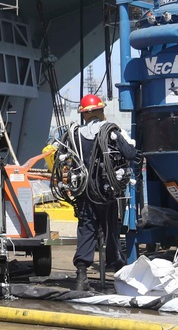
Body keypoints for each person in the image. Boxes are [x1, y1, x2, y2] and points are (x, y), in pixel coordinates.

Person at [72, 93, 139, 292]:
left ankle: (81, 276)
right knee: (110, 229)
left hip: (83, 192)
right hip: (105, 192)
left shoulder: (74, 135)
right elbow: (130, 154)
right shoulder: (111, 131)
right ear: (100, 111)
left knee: (86, 230)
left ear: (84, 114)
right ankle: (119, 273)